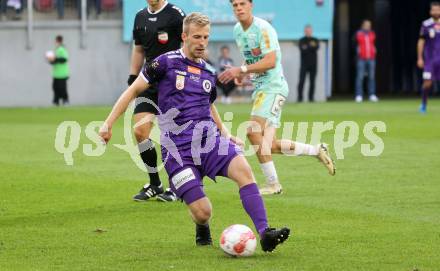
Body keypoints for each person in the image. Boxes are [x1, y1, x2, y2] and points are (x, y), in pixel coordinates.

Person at [99, 12, 290, 252]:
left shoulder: (208, 72)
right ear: (184, 36)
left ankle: (265, 233)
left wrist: (225, 133)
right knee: (203, 212)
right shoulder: (165, 62)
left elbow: (208, 105)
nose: (202, 42)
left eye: (206, 37)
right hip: (177, 150)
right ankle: (202, 226)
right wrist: (108, 124)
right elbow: (133, 91)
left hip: (209, 141)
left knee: (244, 171)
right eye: (197, 37)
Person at [219, 0, 335, 195]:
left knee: (252, 131)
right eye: (235, 5)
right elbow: (252, 57)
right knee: (269, 145)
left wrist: (242, 69)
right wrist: (242, 73)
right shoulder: (238, 30)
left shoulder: (263, 28)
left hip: (273, 88)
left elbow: (270, 61)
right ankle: (316, 150)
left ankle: (273, 184)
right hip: (262, 88)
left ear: (251, 5)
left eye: (242, 4)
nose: (239, 8)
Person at [129, 0, 185, 202]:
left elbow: (187, 46)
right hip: (148, 82)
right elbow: (138, 49)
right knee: (140, 131)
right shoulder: (140, 16)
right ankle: (155, 183)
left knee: (171, 135)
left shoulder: (176, 14)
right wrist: (133, 77)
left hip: (172, 83)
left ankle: (176, 185)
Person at [417, 2, 440, 114]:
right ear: (430, 11)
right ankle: (423, 105)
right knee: (427, 83)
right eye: (434, 10)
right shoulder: (426, 24)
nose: (436, 12)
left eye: (438, 10)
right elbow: (421, 41)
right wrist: (420, 58)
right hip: (430, 60)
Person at [354, 20, 379, 103]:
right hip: (361, 58)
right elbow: (356, 43)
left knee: (371, 77)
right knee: (360, 77)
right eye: (366, 25)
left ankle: (372, 94)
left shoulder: (372, 33)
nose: (368, 27)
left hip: (371, 58)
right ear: (363, 25)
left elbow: (373, 43)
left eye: (369, 25)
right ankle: (359, 95)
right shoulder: (359, 34)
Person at [297, 25, 319, 103]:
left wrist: (307, 47)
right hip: (304, 65)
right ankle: (300, 98)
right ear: (305, 31)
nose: (308, 32)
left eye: (309, 30)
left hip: (313, 64)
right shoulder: (301, 40)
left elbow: (316, 48)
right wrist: (310, 47)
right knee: (301, 81)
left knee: (312, 82)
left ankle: (311, 98)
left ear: (311, 31)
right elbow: (303, 50)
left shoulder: (315, 40)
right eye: (307, 31)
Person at [46, 35, 69, 106]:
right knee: (55, 87)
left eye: (56, 41)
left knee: (62, 88)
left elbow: (64, 59)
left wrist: (55, 59)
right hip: (56, 73)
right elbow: (55, 61)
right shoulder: (57, 50)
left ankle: (65, 100)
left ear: (58, 41)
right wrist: (51, 60)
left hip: (62, 73)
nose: (55, 42)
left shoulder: (62, 49)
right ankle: (56, 101)